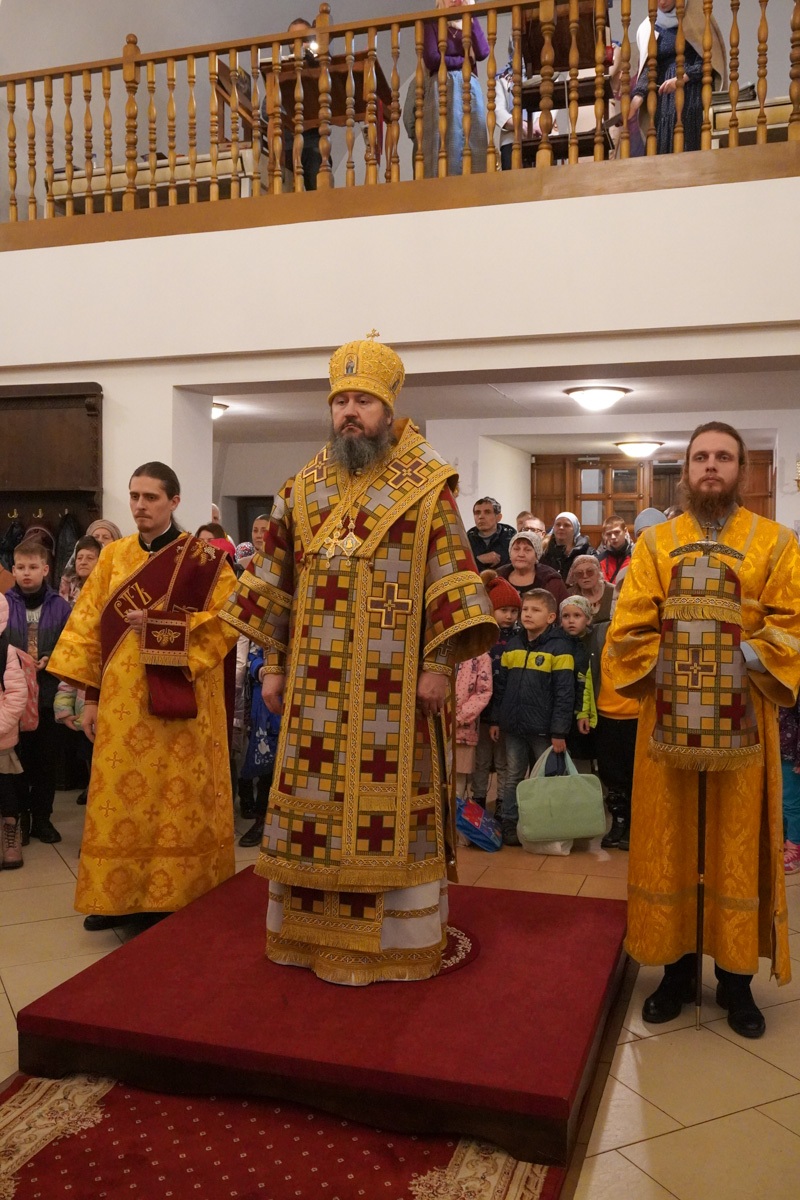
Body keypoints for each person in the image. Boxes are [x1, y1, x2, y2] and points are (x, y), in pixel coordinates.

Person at [220, 334, 497, 985]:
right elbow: (274, 581)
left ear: (388, 408)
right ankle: (305, 937)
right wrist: (272, 664)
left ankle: (397, 943)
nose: (349, 411)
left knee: (389, 815)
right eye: (340, 400)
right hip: (313, 685)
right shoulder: (302, 487)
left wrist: (438, 666)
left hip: (394, 690)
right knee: (312, 807)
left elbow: (450, 582)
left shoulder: (427, 485)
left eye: (363, 401)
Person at [606, 421, 800, 1038]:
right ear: (686, 470)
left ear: (742, 470)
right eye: (700, 457)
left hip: (744, 718)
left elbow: (793, 621)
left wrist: (739, 656)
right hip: (666, 720)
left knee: (735, 845)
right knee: (673, 842)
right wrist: (674, 658)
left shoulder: (776, 542)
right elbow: (627, 625)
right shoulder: (656, 543)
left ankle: (736, 981)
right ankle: (676, 973)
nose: (711, 466)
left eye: (723, 457)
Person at [47, 462, 239, 931]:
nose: (139, 506)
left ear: (174, 501)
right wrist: (91, 699)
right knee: (119, 804)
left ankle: (170, 898)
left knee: (173, 804)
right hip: (120, 710)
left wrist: (161, 625)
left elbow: (228, 624)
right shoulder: (112, 557)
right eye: (134, 496)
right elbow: (90, 632)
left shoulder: (204, 562)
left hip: (179, 710)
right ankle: (117, 898)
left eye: (151, 497)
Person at [491, 589, 575, 847]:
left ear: (551, 617)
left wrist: (559, 732)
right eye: (525, 609)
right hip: (514, 725)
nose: (527, 614)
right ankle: (509, 822)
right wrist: (496, 719)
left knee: (545, 778)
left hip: (543, 729)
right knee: (513, 775)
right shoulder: (514, 644)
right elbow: (501, 686)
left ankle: (544, 823)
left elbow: (565, 694)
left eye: (535, 610)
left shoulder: (560, 648)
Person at [6, 539, 72, 845]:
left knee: (46, 760)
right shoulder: (5, 603)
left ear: (45, 569)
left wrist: (50, 658)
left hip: (48, 694)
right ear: (13, 569)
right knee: (17, 761)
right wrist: (16, 658)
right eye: (20, 567)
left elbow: (70, 645)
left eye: (33, 567)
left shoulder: (60, 606)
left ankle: (42, 818)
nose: (26, 573)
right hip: (15, 695)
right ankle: (19, 817)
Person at [629, 0, 726, 155]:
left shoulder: (696, 17)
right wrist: (637, 98)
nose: (662, 2)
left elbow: (707, 61)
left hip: (691, 97)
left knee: (688, 150)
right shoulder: (648, 26)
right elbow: (650, 67)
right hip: (663, 102)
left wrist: (682, 79)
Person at [471, 571, 521, 820]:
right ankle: (478, 802)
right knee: (480, 761)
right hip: (480, 712)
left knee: (503, 762)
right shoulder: (481, 637)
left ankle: (502, 804)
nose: (509, 616)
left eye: (514, 611)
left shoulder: (518, 640)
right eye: (504, 610)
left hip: (505, 713)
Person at [422, 0, 489, 178]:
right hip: (442, 87)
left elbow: (483, 52)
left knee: (473, 136)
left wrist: (470, 16)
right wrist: (464, 61)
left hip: (468, 88)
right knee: (443, 137)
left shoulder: (469, 22)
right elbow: (432, 58)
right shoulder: (432, 22)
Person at [0, 592, 28, 870]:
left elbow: (17, 696)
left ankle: (11, 832)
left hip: (1, 736)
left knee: (5, 786)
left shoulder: (5, 651)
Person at [454, 651, 492, 798]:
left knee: (457, 780)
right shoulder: (440, 649)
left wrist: (459, 718)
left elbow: (483, 692)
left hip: (462, 730)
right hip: (434, 723)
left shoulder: (481, 656)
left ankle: (455, 811)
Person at [498, 530, 568, 609]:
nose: (521, 554)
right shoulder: (498, 577)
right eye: (516, 549)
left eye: (527, 550)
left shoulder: (551, 580)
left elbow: (565, 610)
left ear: (537, 555)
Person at [541, 512, 597, 583]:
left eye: (566, 525)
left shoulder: (587, 552)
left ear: (575, 529)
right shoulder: (545, 551)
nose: (561, 528)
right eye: (558, 524)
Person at [779, 695, 800, 874]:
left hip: (791, 752)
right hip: (777, 748)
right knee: (781, 802)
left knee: (791, 803)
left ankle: (795, 849)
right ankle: (785, 844)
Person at [467, 497, 516, 570]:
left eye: (487, 512)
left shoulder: (512, 540)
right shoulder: (466, 541)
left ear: (498, 517)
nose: (481, 517)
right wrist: (479, 560)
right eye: (477, 513)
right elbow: (461, 568)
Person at [566, 554, 614, 624]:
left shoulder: (614, 591)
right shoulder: (570, 595)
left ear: (599, 572)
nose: (585, 576)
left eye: (590, 572)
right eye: (579, 573)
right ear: (574, 577)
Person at [597, 516, 632, 584]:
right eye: (609, 534)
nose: (613, 537)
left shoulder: (635, 557)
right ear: (604, 535)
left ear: (625, 531)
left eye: (617, 532)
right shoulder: (599, 560)